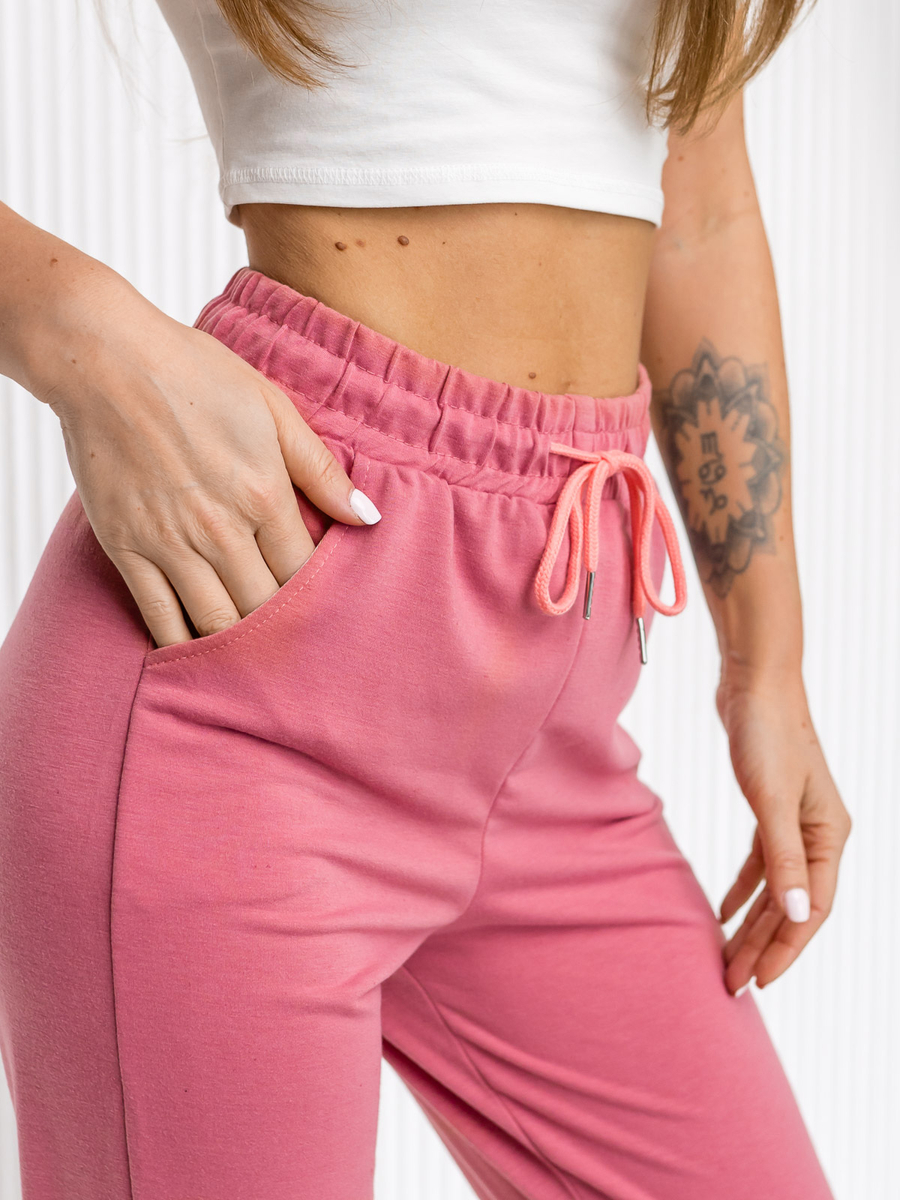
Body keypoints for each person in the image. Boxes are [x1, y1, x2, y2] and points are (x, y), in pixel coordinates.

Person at [0, 0, 852, 1197]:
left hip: (560, 700)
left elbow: (701, 205)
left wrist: (768, 668)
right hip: (254, 640)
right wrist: (79, 336)